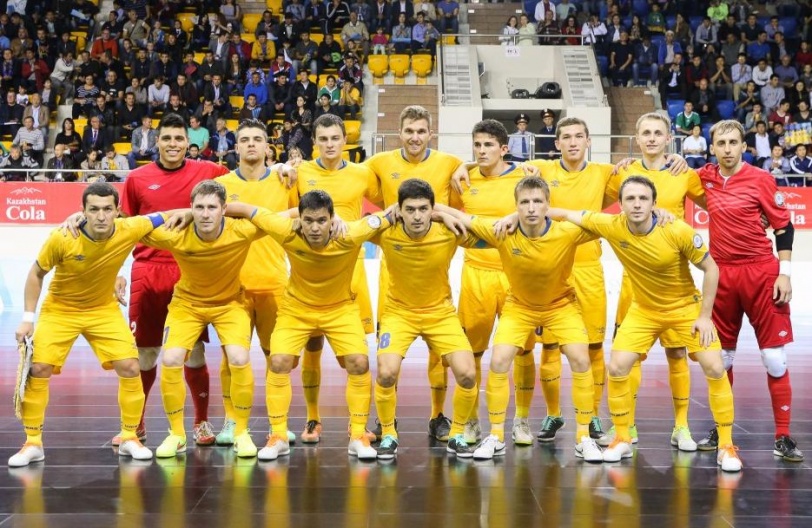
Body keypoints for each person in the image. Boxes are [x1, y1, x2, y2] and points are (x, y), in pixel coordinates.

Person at [547, 176, 742, 472]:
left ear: (654, 203)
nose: (636, 204)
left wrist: (704, 316)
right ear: (621, 204)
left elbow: (711, 267)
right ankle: (622, 437)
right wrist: (515, 215)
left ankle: (726, 446)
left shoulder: (677, 230)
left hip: (684, 308)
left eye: (642, 198)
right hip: (644, 310)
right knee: (618, 366)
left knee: (715, 367)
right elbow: (565, 213)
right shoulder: (612, 225)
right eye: (630, 199)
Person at [437, 176, 601, 462]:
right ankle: (497, 435)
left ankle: (584, 436)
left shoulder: (567, 232)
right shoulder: (501, 231)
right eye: (524, 203)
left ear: (548, 205)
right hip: (520, 307)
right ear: (516, 206)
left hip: (561, 306)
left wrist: (658, 212)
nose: (531, 208)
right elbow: (464, 217)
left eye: (538, 201)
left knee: (581, 359)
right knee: (499, 360)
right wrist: (433, 209)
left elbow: (605, 221)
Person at [224, 191, 392, 461]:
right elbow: (244, 208)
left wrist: (442, 211)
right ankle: (278, 435)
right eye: (309, 220)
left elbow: (393, 212)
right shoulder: (285, 229)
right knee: (278, 362)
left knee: (359, 363)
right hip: (296, 310)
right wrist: (189, 214)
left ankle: (358, 435)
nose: (315, 227)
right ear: (299, 219)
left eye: (322, 220)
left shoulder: (352, 233)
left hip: (340, 309)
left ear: (331, 219)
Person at [8, 182, 166, 467]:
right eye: (94, 209)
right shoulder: (62, 237)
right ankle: (33, 442)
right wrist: (28, 319)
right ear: (82, 211)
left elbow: (166, 215)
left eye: (108, 209)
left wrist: (196, 212)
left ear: (118, 211)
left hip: (102, 309)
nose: (101, 216)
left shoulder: (130, 227)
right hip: (60, 310)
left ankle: (130, 436)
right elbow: (36, 273)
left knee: (131, 366)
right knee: (38, 369)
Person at [112, 114, 231, 447]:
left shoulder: (208, 172)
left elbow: (243, 184)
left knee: (192, 351)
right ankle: (135, 425)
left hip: (191, 272)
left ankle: (202, 423)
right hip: (147, 273)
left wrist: (279, 169)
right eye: (167, 139)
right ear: (156, 141)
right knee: (146, 353)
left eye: (179, 138)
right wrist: (117, 271)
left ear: (187, 142)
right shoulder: (136, 179)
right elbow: (123, 230)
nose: (174, 144)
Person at [696, 119, 803, 462]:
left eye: (733, 142)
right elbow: (663, 183)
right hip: (721, 276)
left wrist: (784, 274)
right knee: (721, 358)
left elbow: (784, 228)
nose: (727, 148)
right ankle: (723, 426)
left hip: (761, 273)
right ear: (712, 148)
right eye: (721, 143)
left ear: (744, 145)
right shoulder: (705, 178)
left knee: (774, 358)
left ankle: (783, 435)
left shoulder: (761, 179)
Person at [363, 105, 465, 441]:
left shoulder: (449, 162)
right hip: (394, 267)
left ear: (430, 133)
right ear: (399, 132)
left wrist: (467, 165)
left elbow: (482, 169)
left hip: (434, 262)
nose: (415, 137)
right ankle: (385, 421)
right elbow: (345, 176)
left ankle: (438, 416)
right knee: (387, 360)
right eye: (409, 131)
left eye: (421, 131)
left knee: (442, 356)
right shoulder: (379, 163)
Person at [605, 112, 707, 450]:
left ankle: (681, 427)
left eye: (658, 133)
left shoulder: (684, 174)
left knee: (677, 354)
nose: (651, 138)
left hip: (675, 285)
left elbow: (718, 200)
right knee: (628, 357)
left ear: (668, 139)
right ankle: (627, 427)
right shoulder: (623, 174)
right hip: (633, 284)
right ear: (636, 138)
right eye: (645, 132)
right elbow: (588, 197)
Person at [139, 180, 260, 459]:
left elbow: (282, 218)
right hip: (187, 306)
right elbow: (130, 225)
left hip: (230, 305)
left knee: (239, 358)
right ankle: (176, 435)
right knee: (170, 360)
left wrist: (335, 216)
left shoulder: (240, 230)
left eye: (212, 208)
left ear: (224, 209)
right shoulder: (175, 234)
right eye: (199, 208)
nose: (205, 214)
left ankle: (241, 433)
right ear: (191, 209)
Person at [292, 114, 382, 444]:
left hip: (351, 273)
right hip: (308, 272)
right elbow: (287, 212)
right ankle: (313, 418)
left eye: (335, 138)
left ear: (346, 140)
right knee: (312, 346)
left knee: (354, 357)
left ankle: (356, 425)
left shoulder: (363, 174)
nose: (330, 144)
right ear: (314, 142)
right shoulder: (300, 173)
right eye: (323, 139)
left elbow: (388, 208)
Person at [373, 178, 478, 459]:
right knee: (385, 373)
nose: (417, 216)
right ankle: (388, 433)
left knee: (468, 374)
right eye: (410, 209)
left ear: (432, 209)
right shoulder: (386, 232)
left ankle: (456, 433)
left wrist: (446, 213)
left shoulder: (449, 230)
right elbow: (349, 229)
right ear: (400, 209)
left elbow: (488, 232)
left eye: (423, 209)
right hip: (398, 313)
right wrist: (384, 217)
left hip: (440, 314)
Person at [450, 119, 536, 446]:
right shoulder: (462, 179)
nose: (482, 150)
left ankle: (522, 421)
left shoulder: (524, 177)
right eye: (477, 145)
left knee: (523, 351)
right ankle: (471, 421)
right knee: (471, 352)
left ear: (504, 149)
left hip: (517, 275)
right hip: (475, 275)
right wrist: (464, 164)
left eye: (488, 145)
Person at [213, 119, 298, 446]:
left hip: (275, 282)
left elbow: (303, 215)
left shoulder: (285, 182)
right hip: (232, 286)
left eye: (257, 139)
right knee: (229, 357)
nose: (250, 144)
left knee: (277, 357)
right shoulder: (221, 186)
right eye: (244, 139)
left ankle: (279, 423)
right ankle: (231, 422)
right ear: (235, 147)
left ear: (267, 147)